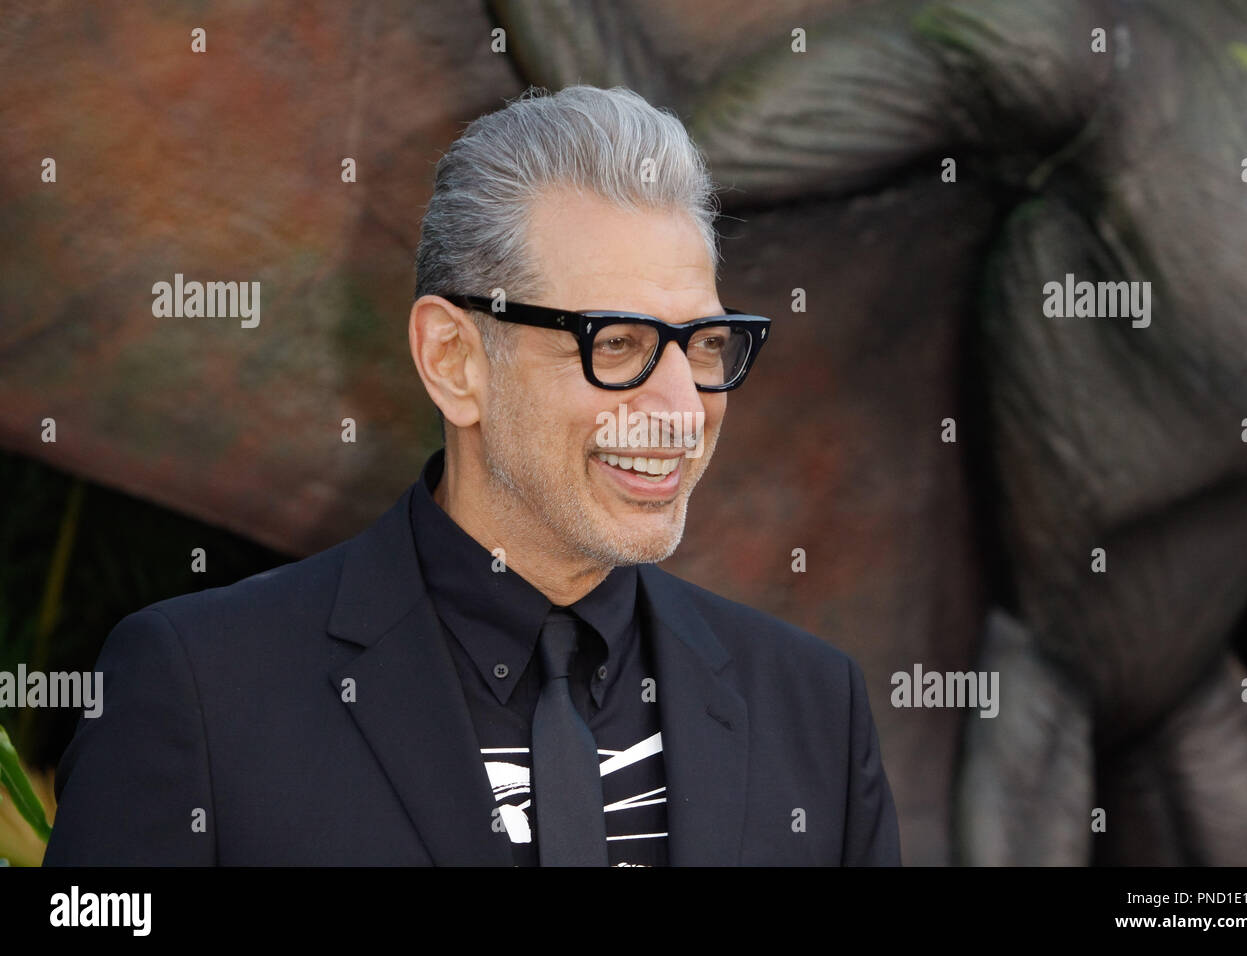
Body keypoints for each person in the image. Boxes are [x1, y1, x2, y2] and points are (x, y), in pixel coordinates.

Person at [43, 85, 900, 866]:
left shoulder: (812, 707)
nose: (682, 405)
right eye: (618, 345)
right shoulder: (201, 690)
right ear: (454, 360)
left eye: (705, 345)